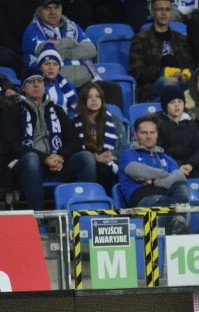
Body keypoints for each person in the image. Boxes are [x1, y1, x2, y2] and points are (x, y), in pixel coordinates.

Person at [0, 66, 96, 211]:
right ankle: (37, 218)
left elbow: (75, 140)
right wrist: (44, 158)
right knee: (31, 158)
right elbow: (11, 145)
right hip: (25, 168)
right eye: (31, 82)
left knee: (86, 157)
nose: (36, 84)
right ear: (23, 87)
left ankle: (84, 213)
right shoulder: (12, 111)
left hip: (57, 165)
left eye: (40, 81)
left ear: (45, 85)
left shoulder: (57, 110)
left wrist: (61, 156)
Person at [117, 113, 190, 214]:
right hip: (142, 198)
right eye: (144, 133)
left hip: (167, 196)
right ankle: (179, 221)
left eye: (152, 132)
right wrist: (165, 175)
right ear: (135, 136)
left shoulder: (166, 158)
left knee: (180, 187)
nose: (149, 136)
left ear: (157, 135)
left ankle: (179, 222)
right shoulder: (128, 154)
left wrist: (154, 182)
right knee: (173, 205)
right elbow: (138, 171)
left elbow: (179, 176)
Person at [129, 0, 193, 102]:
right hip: (153, 85)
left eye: (167, 9)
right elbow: (136, 71)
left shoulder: (181, 38)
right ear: (152, 11)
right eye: (160, 9)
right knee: (169, 82)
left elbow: (190, 65)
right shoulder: (141, 39)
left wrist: (185, 74)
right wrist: (163, 72)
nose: (164, 13)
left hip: (181, 80)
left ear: (171, 12)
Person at [75, 82, 128, 189]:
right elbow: (75, 150)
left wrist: (110, 155)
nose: (94, 100)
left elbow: (124, 147)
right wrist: (96, 157)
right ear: (83, 101)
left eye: (97, 96)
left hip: (111, 160)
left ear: (102, 100)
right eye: (89, 97)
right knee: (101, 168)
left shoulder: (114, 119)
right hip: (86, 164)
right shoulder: (75, 122)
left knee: (106, 168)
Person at [156, 84, 199, 179]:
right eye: (172, 102)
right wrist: (177, 166)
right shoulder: (158, 124)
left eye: (180, 101)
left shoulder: (191, 122)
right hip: (168, 168)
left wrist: (191, 164)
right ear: (165, 105)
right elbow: (158, 151)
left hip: (190, 167)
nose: (177, 105)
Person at [37, 44, 78, 118]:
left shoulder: (68, 86)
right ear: (40, 67)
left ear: (59, 68)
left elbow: (73, 111)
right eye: (47, 64)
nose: (51, 68)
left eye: (55, 64)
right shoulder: (34, 85)